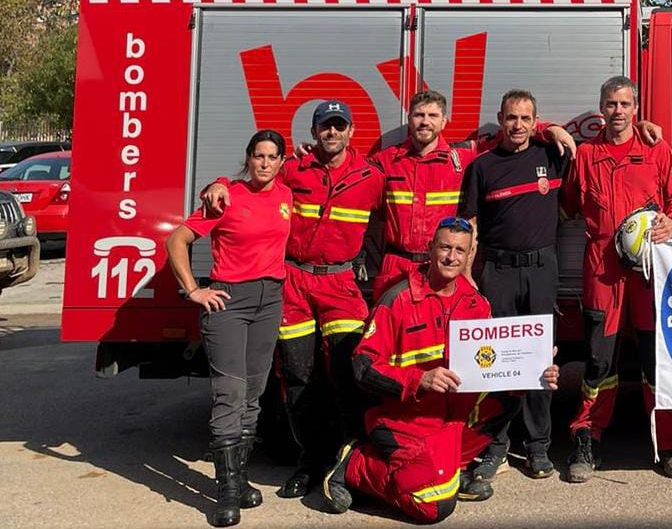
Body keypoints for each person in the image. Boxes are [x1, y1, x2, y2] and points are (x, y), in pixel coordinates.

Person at [320, 217, 560, 523]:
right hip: (403, 421)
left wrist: (536, 369)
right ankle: (354, 464)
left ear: (470, 254)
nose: (451, 257)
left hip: (449, 421)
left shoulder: (476, 303)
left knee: (507, 399)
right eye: (445, 247)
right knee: (434, 507)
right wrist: (419, 379)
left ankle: (447, 471)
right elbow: (362, 367)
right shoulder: (399, 299)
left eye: (460, 250)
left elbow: (499, 368)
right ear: (431, 249)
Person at [203, 101, 376, 500]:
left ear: (351, 131)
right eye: (324, 127)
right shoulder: (292, 169)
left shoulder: (371, 174)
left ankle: (353, 464)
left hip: (341, 284)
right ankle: (312, 462)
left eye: (339, 126)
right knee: (298, 377)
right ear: (314, 133)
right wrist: (216, 182)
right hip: (294, 282)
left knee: (352, 374)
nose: (332, 133)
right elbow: (250, 176)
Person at [561, 75, 672, 482]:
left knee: (657, 362)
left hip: (649, 273)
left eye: (624, 104)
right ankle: (586, 441)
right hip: (602, 271)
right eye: (611, 104)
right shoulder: (585, 155)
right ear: (601, 108)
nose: (617, 112)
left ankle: (668, 445)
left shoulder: (656, 148)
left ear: (636, 109)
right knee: (599, 363)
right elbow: (568, 206)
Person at [165, 130, 291, 527]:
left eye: (272, 156)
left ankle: (240, 479)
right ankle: (226, 492)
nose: (265, 163)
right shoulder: (227, 196)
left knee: (255, 392)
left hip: (270, 300)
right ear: (248, 158)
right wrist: (193, 291)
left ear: (282, 162)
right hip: (228, 301)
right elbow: (176, 241)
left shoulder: (286, 196)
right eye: (258, 155)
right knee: (229, 392)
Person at [367, 89, 577, 302]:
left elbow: (511, 135)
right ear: (409, 119)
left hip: (444, 265)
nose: (425, 122)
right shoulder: (384, 161)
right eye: (419, 115)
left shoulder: (463, 158)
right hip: (397, 265)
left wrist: (548, 129)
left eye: (433, 116)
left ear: (444, 121)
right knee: (389, 328)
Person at [457, 90, 568, 483]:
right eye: (511, 118)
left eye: (525, 119)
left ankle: (538, 448)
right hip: (498, 271)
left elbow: (594, 145)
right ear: (500, 119)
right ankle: (496, 446)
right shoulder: (482, 167)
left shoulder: (550, 155)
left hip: (541, 268)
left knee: (540, 361)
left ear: (534, 121)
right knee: (497, 363)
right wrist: (468, 273)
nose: (517, 126)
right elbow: (469, 222)